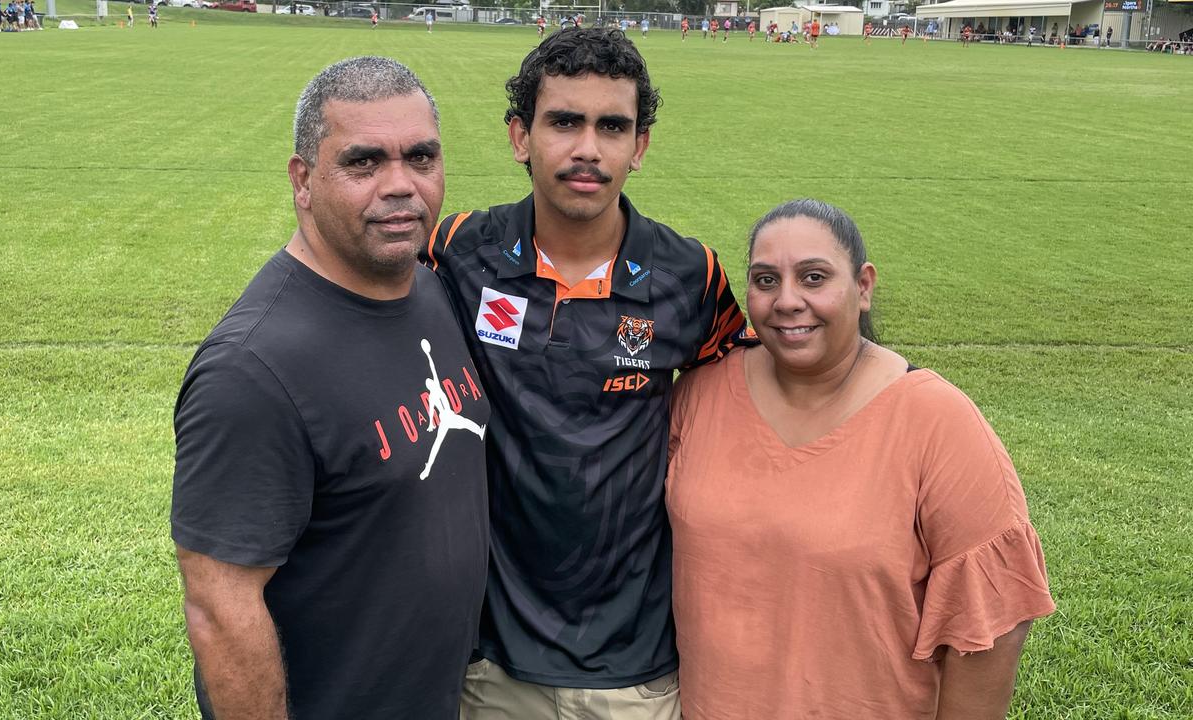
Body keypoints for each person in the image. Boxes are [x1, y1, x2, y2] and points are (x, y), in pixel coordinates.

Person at [425, 27, 752, 720]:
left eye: (612, 126)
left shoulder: (691, 276)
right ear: (521, 136)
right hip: (492, 662)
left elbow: (761, 389)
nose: (587, 149)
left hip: (636, 668)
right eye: (564, 121)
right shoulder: (457, 250)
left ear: (640, 146)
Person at [171, 56, 490, 720]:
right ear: (303, 179)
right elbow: (219, 610)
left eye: (421, 158)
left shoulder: (430, 290)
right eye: (364, 163)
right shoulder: (253, 370)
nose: (401, 186)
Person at [666, 199, 1056, 720]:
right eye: (765, 280)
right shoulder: (700, 394)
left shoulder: (936, 421)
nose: (787, 301)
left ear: (864, 286)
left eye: (813, 277)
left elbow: (994, 624)